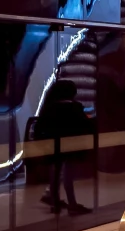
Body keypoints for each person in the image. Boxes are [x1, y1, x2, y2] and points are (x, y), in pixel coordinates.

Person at [33, 78, 93, 214]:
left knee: (54, 175)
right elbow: (86, 126)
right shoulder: (75, 107)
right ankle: (72, 204)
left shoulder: (49, 108)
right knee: (68, 175)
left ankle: (55, 202)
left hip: (52, 147)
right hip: (70, 147)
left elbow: (39, 127)